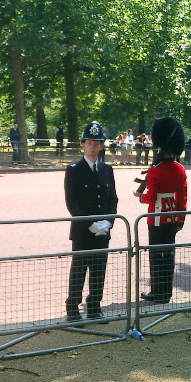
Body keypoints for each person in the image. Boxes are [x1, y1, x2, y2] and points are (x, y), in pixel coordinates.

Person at [65, 121, 118, 322]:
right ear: (83, 145)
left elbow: (113, 199)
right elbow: (72, 202)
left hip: (103, 230)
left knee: (99, 270)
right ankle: (72, 308)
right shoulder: (74, 169)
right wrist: (89, 223)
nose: (93, 146)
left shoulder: (107, 169)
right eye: (89, 143)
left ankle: (94, 306)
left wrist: (109, 222)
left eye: (97, 143)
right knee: (79, 269)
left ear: (102, 145)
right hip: (82, 229)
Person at [138, 117, 187, 304]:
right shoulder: (180, 169)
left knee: (156, 257)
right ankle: (166, 292)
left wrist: (140, 197)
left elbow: (150, 197)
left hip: (157, 218)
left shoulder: (156, 170)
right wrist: (180, 218)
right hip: (173, 218)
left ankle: (157, 292)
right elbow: (182, 197)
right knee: (168, 256)